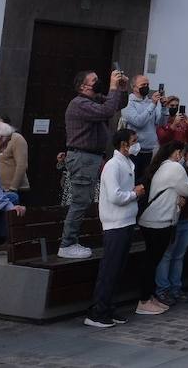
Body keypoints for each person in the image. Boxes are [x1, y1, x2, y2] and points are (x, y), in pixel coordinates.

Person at [60, 69, 129, 259]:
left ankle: (80, 238)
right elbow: (107, 111)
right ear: (83, 86)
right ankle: (67, 243)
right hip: (83, 158)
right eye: (95, 80)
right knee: (80, 202)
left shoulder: (93, 100)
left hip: (93, 157)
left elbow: (117, 104)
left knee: (94, 198)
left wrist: (121, 89)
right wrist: (113, 87)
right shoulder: (79, 103)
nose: (99, 82)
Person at [84, 128, 144, 329]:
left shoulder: (127, 163)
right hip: (115, 223)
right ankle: (97, 311)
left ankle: (109, 306)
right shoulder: (112, 165)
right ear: (123, 145)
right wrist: (134, 194)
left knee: (118, 269)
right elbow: (115, 196)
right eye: (133, 141)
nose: (137, 144)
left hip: (127, 221)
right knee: (109, 269)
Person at [136, 140, 188, 315]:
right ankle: (144, 300)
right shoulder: (174, 168)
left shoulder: (162, 166)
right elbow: (187, 189)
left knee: (153, 259)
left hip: (152, 220)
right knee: (152, 261)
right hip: (160, 221)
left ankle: (149, 296)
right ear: (178, 153)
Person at [154, 143, 188, 306]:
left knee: (178, 256)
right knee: (167, 255)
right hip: (173, 218)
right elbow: (187, 190)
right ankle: (163, 289)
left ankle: (175, 287)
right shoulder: (175, 170)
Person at [122, 76, 167, 175]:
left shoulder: (150, 103)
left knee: (144, 182)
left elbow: (161, 124)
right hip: (134, 151)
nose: (146, 87)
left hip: (149, 150)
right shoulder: (128, 103)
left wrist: (164, 108)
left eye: (147, 85)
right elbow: (138, 122)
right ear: (134, 87)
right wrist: (153, 105)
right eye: (143, 85)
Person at [0, 117, 30, 206]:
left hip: (14, 190)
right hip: (0, 189)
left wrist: (13, 188)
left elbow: (22, 165)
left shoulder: (17, 139)